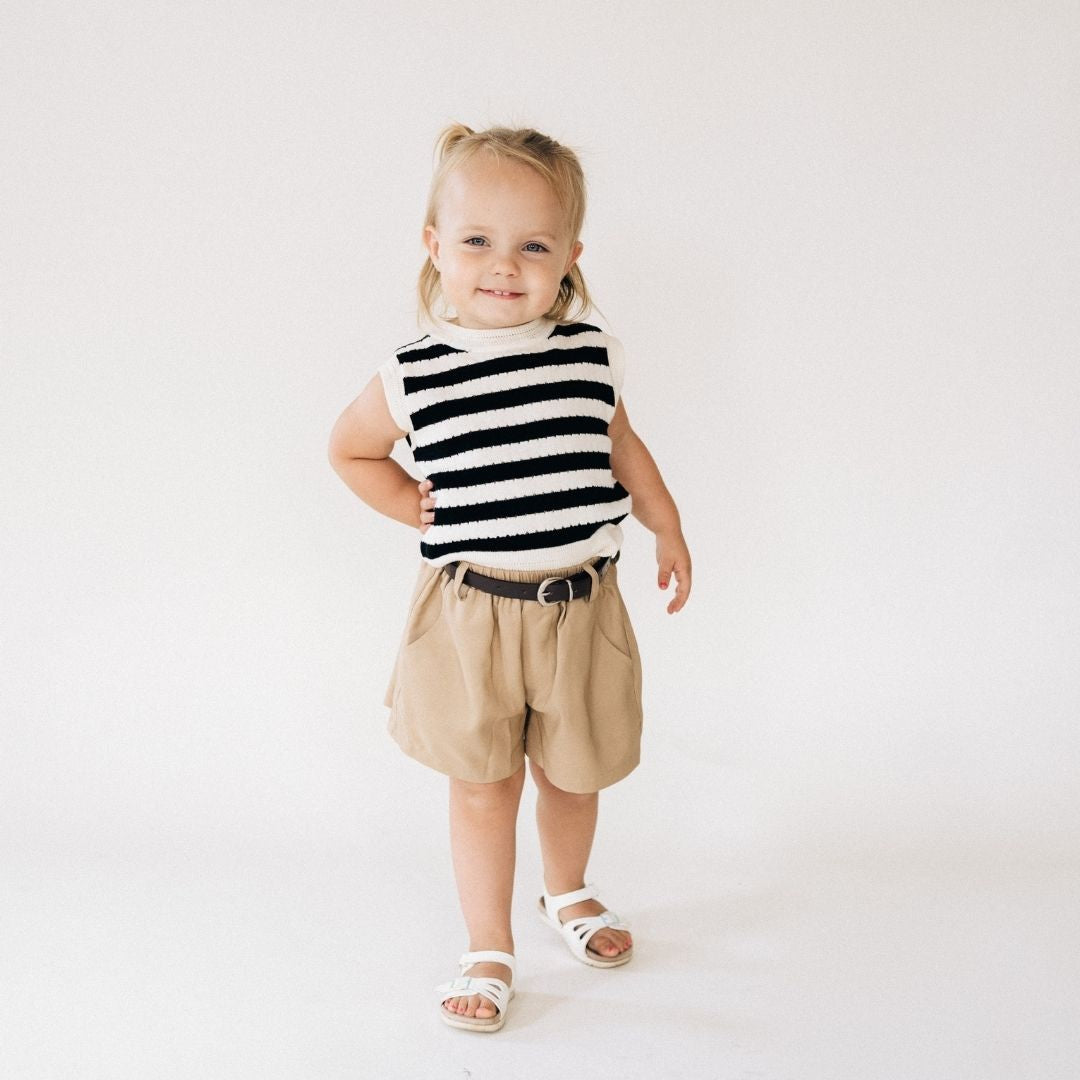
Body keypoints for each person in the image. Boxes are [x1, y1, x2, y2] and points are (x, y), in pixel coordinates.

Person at [327, 123, 691, 1033]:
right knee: (484, 783)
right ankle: (488, 943)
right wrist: (413, 503)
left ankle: (566, 892)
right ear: (435, 246)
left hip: (581, 604)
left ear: (569, 257)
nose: (504, 264)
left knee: (574, 774)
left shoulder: (586, 350)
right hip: (471, 615)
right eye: (478, 241)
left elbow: (620, 442)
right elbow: (349, 449)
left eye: (533, 244)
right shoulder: (413, 374)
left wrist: (666, 522)